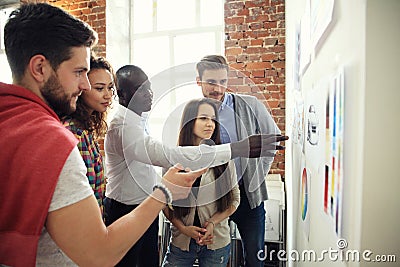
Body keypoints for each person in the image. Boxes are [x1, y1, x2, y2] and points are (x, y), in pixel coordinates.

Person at [0, 3, 207, 266]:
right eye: (78, 72)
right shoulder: (54, 142)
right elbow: (99, 255)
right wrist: (164, 191)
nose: (84, 85)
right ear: (40, 68)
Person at [196, 55, 282, 266]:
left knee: (254, 260)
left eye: (223, 82)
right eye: (211, 82)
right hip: (213, 201)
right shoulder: (193, 113)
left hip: (248, 198)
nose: (218, 88)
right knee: (214, 259)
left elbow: (273, 141)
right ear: (198, 80)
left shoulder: (250, 105)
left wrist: (256, 176)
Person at [162, 98, 240, 267]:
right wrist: (183, 228)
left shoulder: (224, 157)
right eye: (204, 118)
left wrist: (212, 223)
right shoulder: (173, 157)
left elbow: (234, 199)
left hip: (216, 241)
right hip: (181, 242)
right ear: (190, 121)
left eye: (213, 119)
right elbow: (164, 203)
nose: (210, 124)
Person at [104, 65, 159, 267]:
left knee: (149, 261)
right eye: (141, 89)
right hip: (124, 210)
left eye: (149, 87)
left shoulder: (139, 119)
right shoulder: (122, 126)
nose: (149, 93)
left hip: (145, 205)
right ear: (123, 95)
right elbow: (158, 155)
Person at [62, 55, 115, 216]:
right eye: (100, 88)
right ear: (81, 88)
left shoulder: (86, 127)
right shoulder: (74, 132)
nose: (108, 95)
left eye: (110, 87)